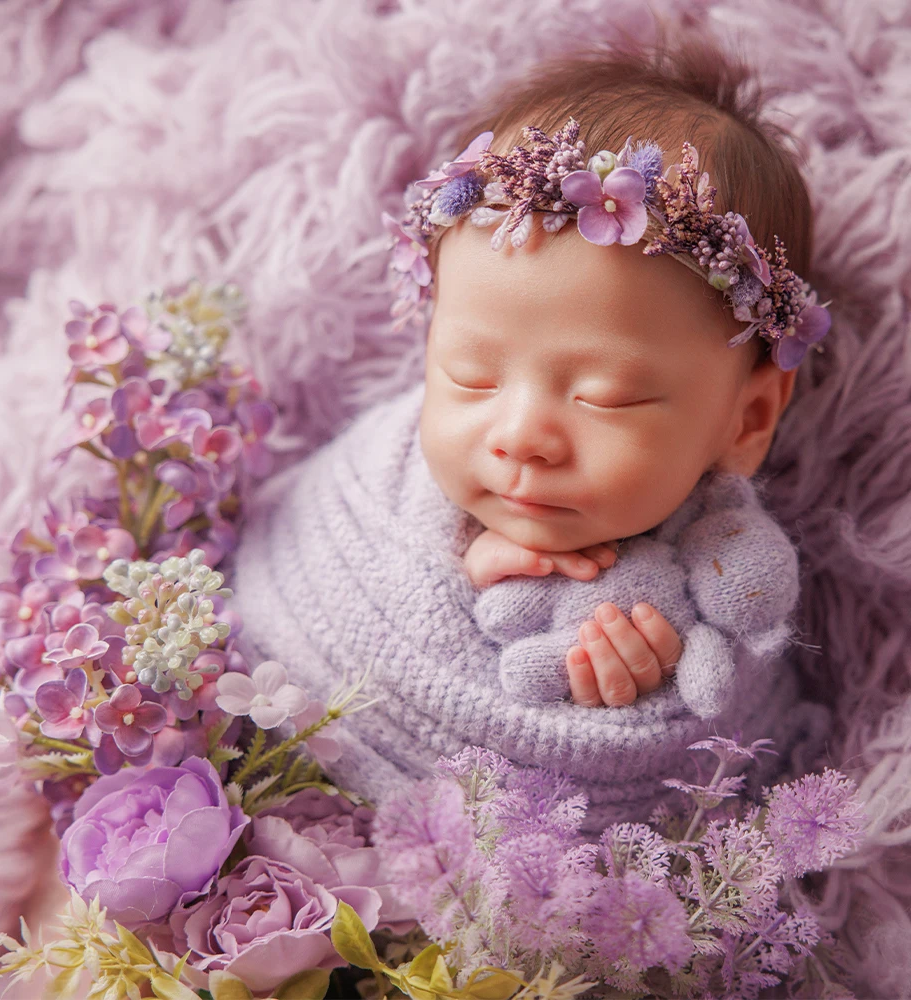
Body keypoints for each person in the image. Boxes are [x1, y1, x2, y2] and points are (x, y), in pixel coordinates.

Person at [230, 29, 833, 830]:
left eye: (607, 397)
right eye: (470, 376)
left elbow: (696, 768)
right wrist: (458, 552)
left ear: (747, 418)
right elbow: (301, 560)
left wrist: (630, 683)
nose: (520, 436)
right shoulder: (378, 487)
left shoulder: (727, 581)